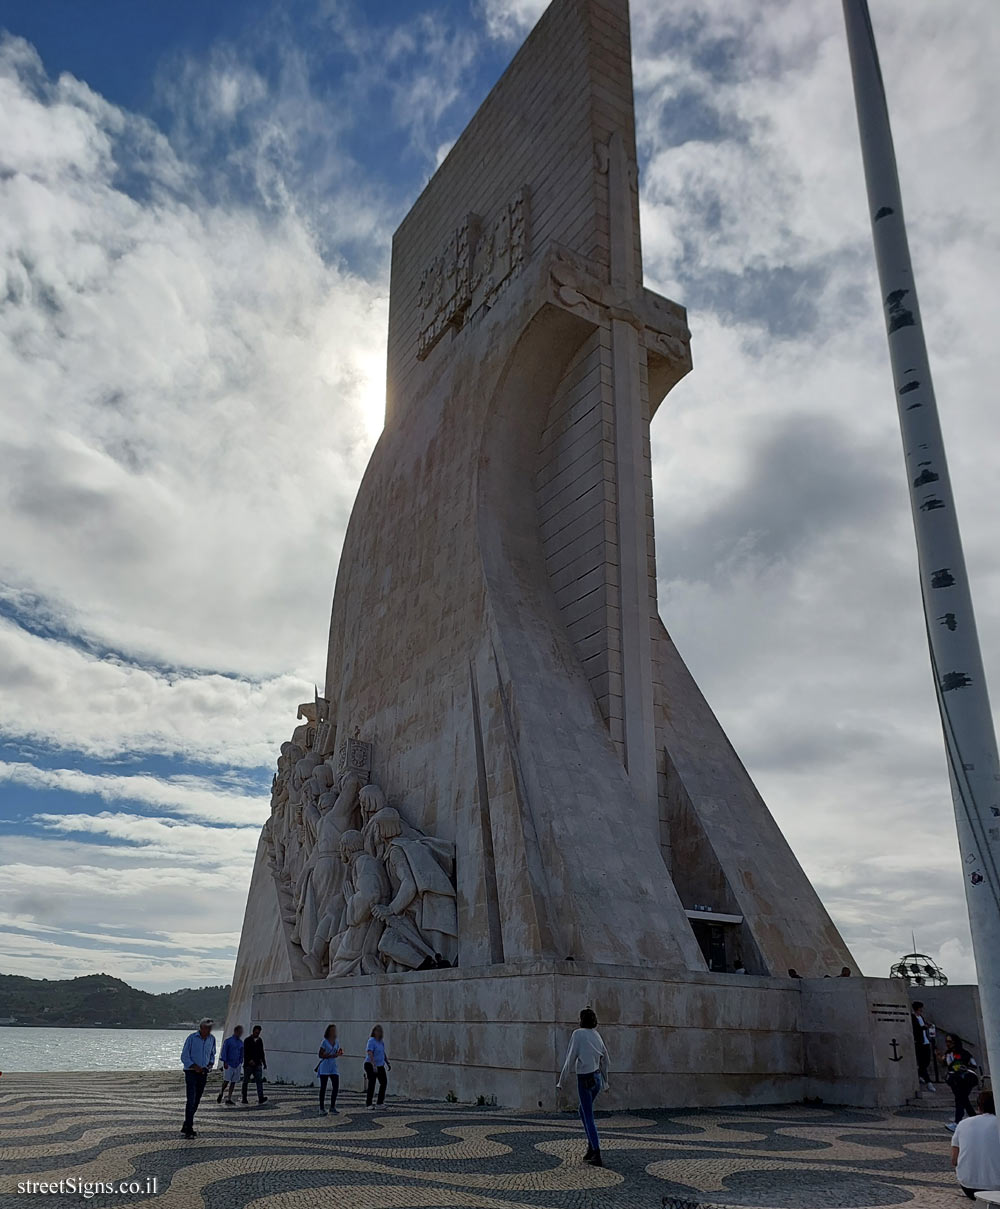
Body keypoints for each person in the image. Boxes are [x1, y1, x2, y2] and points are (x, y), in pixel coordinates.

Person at [557, 1007, 611, 1168]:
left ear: (581, 1020)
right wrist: (606, 1081)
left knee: (588, 1116)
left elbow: (570, 1058)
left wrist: (561, 1081)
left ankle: (596, 1152)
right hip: (596, 1079)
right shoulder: (596, 1034)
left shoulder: (578, 1034)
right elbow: (606, 1059)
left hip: (585, 1080)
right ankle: (590, 1148)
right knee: (583, 1111)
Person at [951, 1090, 1000, 1198]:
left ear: (979, 1106)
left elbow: (954, 1160)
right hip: (997, 1188)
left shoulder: (963, 1124)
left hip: (968, 1187)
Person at [180, 1018, 216, 1138]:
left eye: (211, 1027)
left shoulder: (212, 1039)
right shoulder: (192, 1038)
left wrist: (209, 1065)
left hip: (203, 1073)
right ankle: (189, 1128)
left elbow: (212, 1054)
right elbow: (184, 1056)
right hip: (191, 1072)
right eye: (207, 1027)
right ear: (201, 1027)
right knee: (191, 1099)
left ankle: (186, 1124)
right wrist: (195, 1067)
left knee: (197, 1100)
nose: (209, 1029)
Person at [944, 1035, 980, 1132]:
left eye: (950, 1042)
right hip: (956, 1080)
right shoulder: (948, 1054)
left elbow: (973, 1064)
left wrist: (963, 1066)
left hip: (965, 1079)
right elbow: (946, 1064)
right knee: (962, 1099)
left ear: (955, 1042)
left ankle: (958, 1122)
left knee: (961, 1099)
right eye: (946, 1041)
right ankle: (973, 1120)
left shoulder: (963, 1053)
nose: (948, 1044)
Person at [317, 1024, 343, 1115]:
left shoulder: (336, 1042)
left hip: (333, 1066)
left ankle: (332, 1107)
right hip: (325, 1065)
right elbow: (320, 1054)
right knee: (323, 1087)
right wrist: (328, 1055)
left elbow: (336, 1052)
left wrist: (338, 1053)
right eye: (332, 1030)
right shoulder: (324, 1042)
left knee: (336, 1086)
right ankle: (321, 1108)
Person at [910, 1002, 935, 1091]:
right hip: (919, 1042)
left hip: (925, 1041)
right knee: (922, 1063)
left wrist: (927, 1025)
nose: (922, 1010)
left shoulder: (921, 1017)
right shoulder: (913, 1018)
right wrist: (924, 1027)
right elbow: (916, 1029)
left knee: (927, 1061)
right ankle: (928, 1082)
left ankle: (919, 1074)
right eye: (920, 1008)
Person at [365, 1025, 390, 1110]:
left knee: (384, 1082)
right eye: (377, 1031)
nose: (379, 1033)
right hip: (370, 1064)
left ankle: (380, 1102)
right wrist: (373, 1065)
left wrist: (387, 1062)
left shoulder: (381, 1042)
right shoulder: (371, 1041)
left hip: (380, 1065)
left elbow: (383, 1052)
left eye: (380, 1031)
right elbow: (370, 1052)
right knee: (372, 1083)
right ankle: (369, 1103)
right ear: (374, 1032)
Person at [241, 1025, 268, 1105]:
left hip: (258, 1064)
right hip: (248, 1065)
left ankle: (261, 1098)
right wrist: (249, 1060)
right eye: (256, 1032)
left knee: (259, 1082)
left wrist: (264, 1063)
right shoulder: (247, 1040)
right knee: (245, 1081)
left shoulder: (260, 1041)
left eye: (258, 1032)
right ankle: (244, 1098)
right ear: (253, 1031)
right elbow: (245, 1052)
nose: (257, 1033)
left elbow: (261, 1052)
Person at [217, 1025, 243, 1105]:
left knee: (233, 1082)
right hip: (229, 1063)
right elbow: (224, 1051)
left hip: (237, 1064)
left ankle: (229, 1097)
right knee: (226, 1080)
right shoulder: (228, 1041)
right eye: (239, 1032)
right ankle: (221, 1092)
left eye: (241, 1032)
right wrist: (224, 1062)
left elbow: (242, 1053)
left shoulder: (241, 1043)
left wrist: (241, 1062)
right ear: (235, 1032)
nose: (240, 1034)